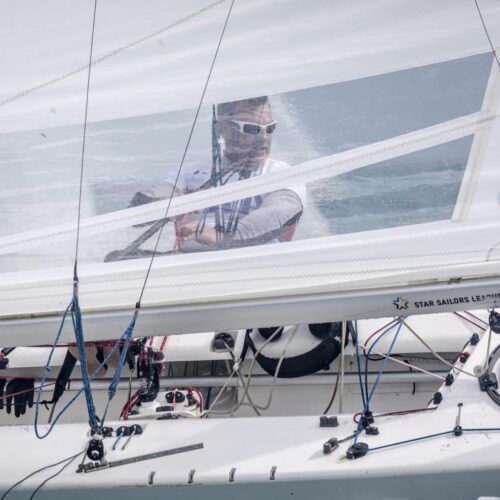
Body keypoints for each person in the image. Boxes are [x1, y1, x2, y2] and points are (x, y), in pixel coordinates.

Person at [130, 95, 305, 253]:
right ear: (224, 127)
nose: (264, 137)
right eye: (252, 129)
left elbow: (276, 216)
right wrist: (161, 203)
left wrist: (222, 237)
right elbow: (138, 212)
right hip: (188, 264)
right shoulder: (191, 172)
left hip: (250, 265)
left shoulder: (281, 173)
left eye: (270, 128)